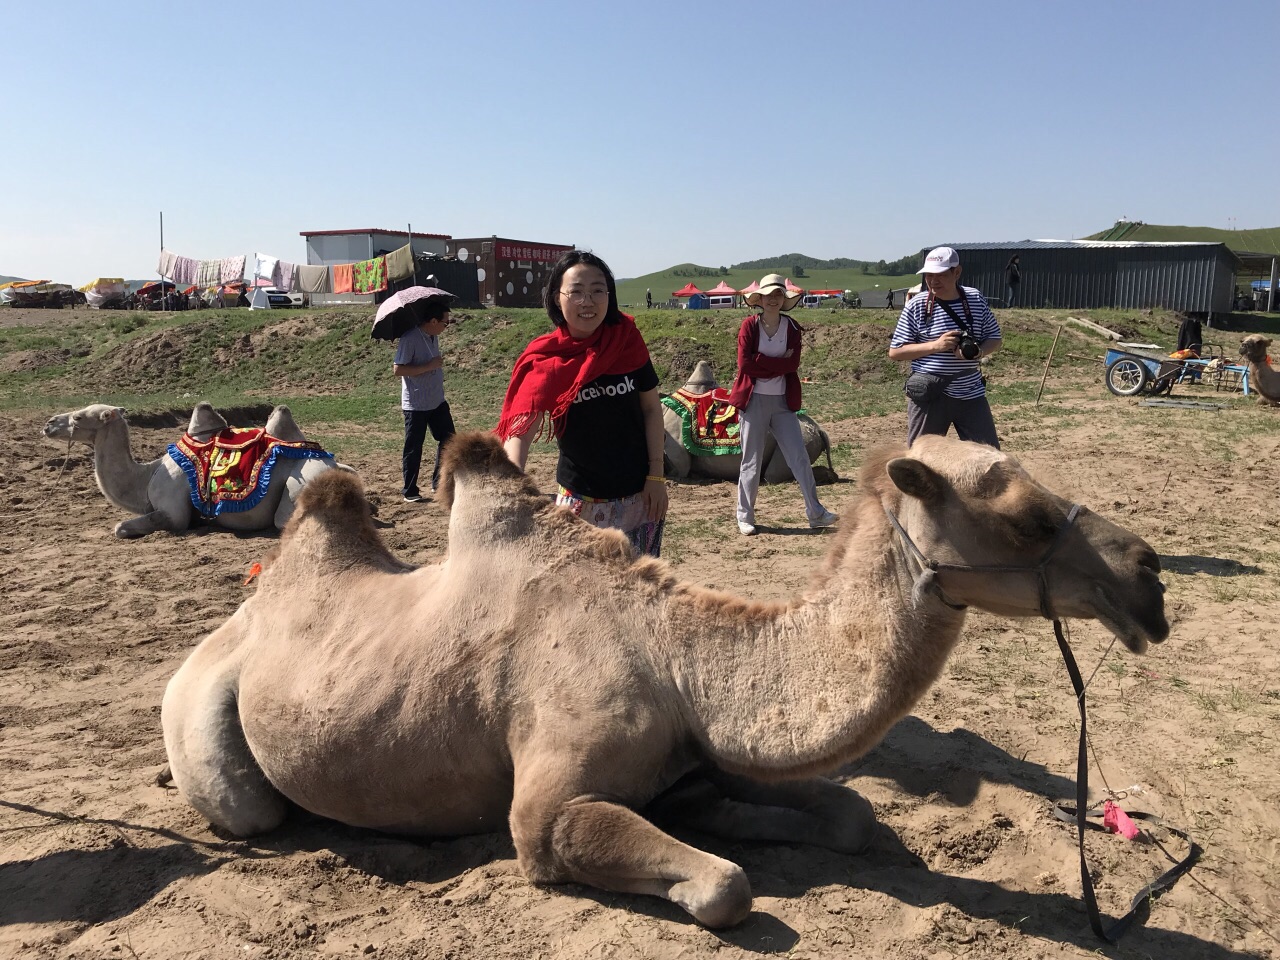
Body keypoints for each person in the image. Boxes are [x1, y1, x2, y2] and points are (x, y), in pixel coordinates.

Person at [498, 250, 668, 557]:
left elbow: (651, 409)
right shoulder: (547, 361)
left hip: (640, 497)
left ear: (610, 294)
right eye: (576, 291)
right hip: (579, 505)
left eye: (597, 290)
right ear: (556, 297)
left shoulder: (627, 340)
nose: (587, 301)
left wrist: (656, 476)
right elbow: (520, 433)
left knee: (642, 595)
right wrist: (511, 488)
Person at [727, 274, 837, 536]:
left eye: (778, 294)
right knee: (750, 461)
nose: (773, 299)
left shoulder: (792, 328)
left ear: (783, 299)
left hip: (783, 402)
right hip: (753, 401)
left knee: (798, 458)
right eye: (769, 295)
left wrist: (761, 361)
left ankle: (816, 512)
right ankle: (745, 515)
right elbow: (745, 365)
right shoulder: (749, 327)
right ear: (760, 299)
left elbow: (792, 365)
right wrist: (774, 365)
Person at [889, 246, 1003, 448]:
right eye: (928, 275)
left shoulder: (975, 299)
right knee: (921, 461)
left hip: (970, 391)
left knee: (990, 456)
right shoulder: (917, 305)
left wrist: (978, 352)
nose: (933, 281)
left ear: (956, 272)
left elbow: (994, 338)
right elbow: (896, 352)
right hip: (930, 395)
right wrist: (936, 345)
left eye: (940, 274)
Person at [394, 297, 456, 501]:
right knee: (414, 446)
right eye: (446, 323)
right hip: (416, 403)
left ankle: (438, 482)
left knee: (448, 440)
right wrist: (428, 367)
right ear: (434, 321)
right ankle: (409, 490)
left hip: (437, 400)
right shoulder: (410, 338)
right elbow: (398, 369)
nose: (447, 327)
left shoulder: (433, 336)